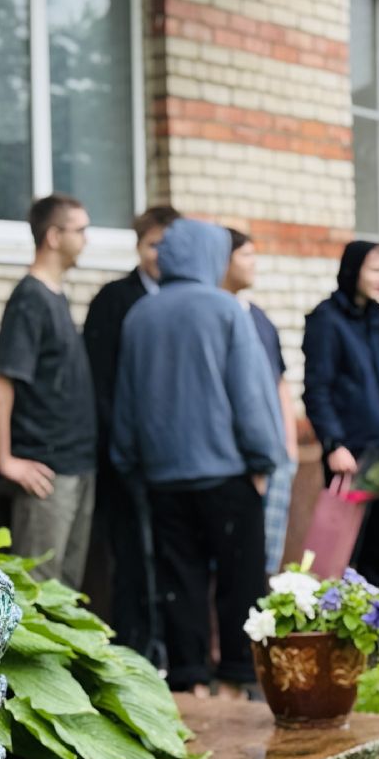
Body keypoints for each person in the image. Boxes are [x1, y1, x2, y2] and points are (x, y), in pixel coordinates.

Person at [111, 219, 285, 693]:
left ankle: (189, 684)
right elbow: (250, 397)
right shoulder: (226, 310)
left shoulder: (140, 315)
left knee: (178, 583)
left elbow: (127, 400)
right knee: (239, 583)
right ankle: (236, 679)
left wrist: (130, 462)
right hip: (227, 476)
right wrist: (263, 462)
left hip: (164, 480)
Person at [0, 193, 98, 587]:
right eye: (80, 230)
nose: (87, 238)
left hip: (77, 465)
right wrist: (6, 461)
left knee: (65, 595)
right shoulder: (30, 298)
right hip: (47, 472)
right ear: (53, 236)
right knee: (38, 595)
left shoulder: (55, 294)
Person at [302, 240, 379, 590]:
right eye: (373, 269)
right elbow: (317, 389)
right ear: (352, 270)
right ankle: (338, 635)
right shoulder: (326, 320)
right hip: (350, 454)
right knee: (343, 549)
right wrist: (333, 444)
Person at [82, 205, 180, 654]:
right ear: (139, 247)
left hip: (175, 459)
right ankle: (135, 651)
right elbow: (100, 381)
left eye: (167, 244)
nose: (159, 254)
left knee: (171, 557)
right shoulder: (113, 300)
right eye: (151, 244)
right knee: (131, 557)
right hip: (124, 454)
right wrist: (120, 447)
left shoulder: (183, 298)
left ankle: (170, 648)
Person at [221, 229, 301, 576]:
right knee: (236, 560)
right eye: (246, 255)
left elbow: (278, 382)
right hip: (240, 462)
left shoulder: (260, 318)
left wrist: (290, 444)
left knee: (269, 557)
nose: (254, 264)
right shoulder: (217, 317)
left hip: (277, 456)